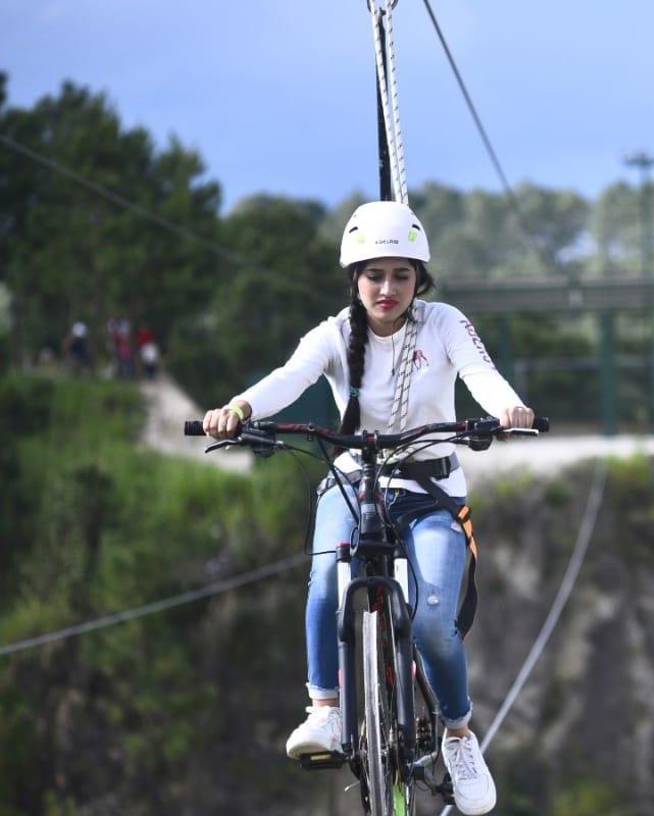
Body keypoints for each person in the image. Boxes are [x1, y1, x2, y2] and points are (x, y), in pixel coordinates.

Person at [201, 201, 531, 816]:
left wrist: (508, 410)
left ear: (419, 279)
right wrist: (239, 409)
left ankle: (459, 736)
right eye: (374, 275)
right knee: (327, 578)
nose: (387, 288)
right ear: (354, 278)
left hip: (432, 493)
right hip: (354, 484)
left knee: (433, 621)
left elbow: (482, 375)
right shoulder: (334, 335)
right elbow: (289, 378)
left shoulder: (444, 324)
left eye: (401, 275)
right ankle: (325, 710)